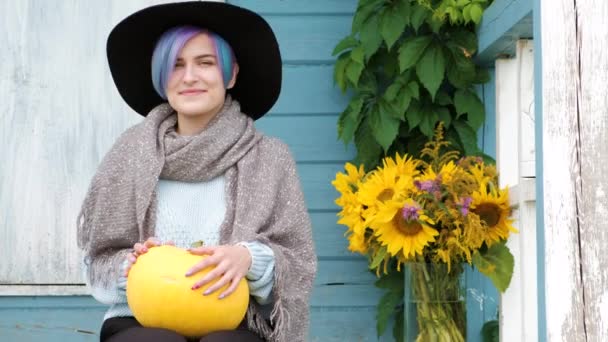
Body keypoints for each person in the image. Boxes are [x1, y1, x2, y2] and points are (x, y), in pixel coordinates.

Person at [76, 2, 317, 342]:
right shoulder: (129, 155)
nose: (189, 77)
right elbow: (98, 262)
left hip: (236, 319)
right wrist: (133, 265)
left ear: (230, 74)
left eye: (205, 63)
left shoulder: (270, 158)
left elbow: (298, 260)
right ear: (161, 78)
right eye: (175, 65)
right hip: (140, 319)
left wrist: (246, 258)